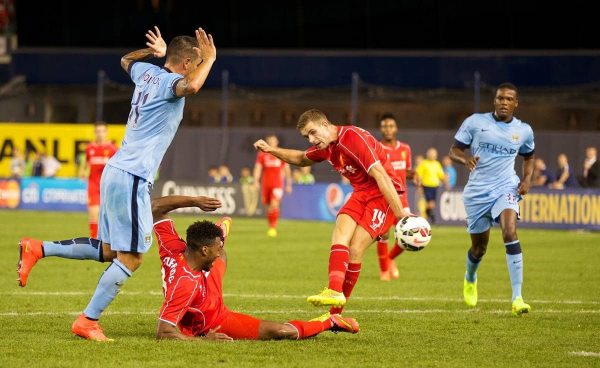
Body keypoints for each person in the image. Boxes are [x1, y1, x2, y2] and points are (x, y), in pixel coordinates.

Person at [17, 26, 217, 341]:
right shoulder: (169, 82)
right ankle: (87, 320)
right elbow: (190, 87)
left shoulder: (146, 73)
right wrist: (212, 59)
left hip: (115, 170)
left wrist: (153, 53)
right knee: (133, 256)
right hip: (133, 175)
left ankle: (38, 248)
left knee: (111, 250)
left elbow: (125, 59)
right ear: (189, 62)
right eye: (197, 61)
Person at [253, 109, 409, 317]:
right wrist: (271, 150)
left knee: (355, 249)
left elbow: (381, 176)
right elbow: (300, 158)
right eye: (307, 136)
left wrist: (401, 217)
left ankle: (335, 315)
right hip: (362, 192)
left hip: (383, 194)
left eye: (313, 132)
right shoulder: (328, 146)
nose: (311, 139)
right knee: (340, 232)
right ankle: (334, 290)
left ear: (325, 125)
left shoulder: (352, 138)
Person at [152, 195, 359, 341]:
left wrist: (195, 201)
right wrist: (205, 341)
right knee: (281, 332)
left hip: (204, 280)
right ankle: (331, 321)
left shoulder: (173, 247)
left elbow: (155, 207)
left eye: (218, 246)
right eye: (215, 248)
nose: (217, 252)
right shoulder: (184, 285)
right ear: (204, 250)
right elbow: (164, 332)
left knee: (221, 257)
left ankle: (220, 234)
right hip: (215, 319)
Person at [449, 82, 535, 316]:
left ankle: (517, 297)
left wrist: (527, 179)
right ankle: (470, 276)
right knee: (479, 248)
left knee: (509, 231)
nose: (504, 103)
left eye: (509, 99)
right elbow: (454, 150)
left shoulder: (524, 130)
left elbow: (529, 156)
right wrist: (464, 159)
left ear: (516, 103)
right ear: (494, 101)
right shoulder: (475, 122)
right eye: (500, 99)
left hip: (506, 187)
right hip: (477, 193)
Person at [376, 113, 414, 281]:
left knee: (409, 234)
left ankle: (390, 258)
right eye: (385, 126)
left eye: (391, 126)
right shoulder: (376, 148)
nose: (388, 129)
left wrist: (414, 174)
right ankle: (384, 271)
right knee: (383, 235)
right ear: (381, 129)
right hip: (383, 198)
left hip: (401, 199)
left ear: (396, 128)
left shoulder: (405, 149)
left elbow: (405, 172)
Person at [80, 123, 118, 238]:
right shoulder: (89, 148)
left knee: (110, 215)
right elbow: (86, 163)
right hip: (94, 184)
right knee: (93, 214)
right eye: (98, 131)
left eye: (102, 131)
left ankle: (110, 240)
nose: (100, 134)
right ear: (95, 133)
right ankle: (94, 242)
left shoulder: (113, 149)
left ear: (106, 133)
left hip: (108, 186)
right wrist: (82, 171)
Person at [253, 134, 293, 237]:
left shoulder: (280, 153)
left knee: (274, 204)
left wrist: (288, 183)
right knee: (268, 206)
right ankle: (271, 225)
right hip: (266, 183)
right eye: (269, 141)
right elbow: (258, 167)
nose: (271, 142)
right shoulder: (262, 154)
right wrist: (256, 181)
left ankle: (272, 228)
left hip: (277, 184)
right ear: (267, 142)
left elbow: (286, 169)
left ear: (276, 142)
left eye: (273, 141)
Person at [415, 148, 447, 224]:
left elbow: (441, 175)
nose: (432, 155)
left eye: (434, 154)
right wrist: (419, 186)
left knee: (431, 204)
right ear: (428, 154)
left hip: (435, 186)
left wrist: (445, 180)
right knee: (430, 203)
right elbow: (418, 174)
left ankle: (428, 215)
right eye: (431, 154)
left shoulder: (437, 164)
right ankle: (431, 217)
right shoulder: (424, 163)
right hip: (426, 185)